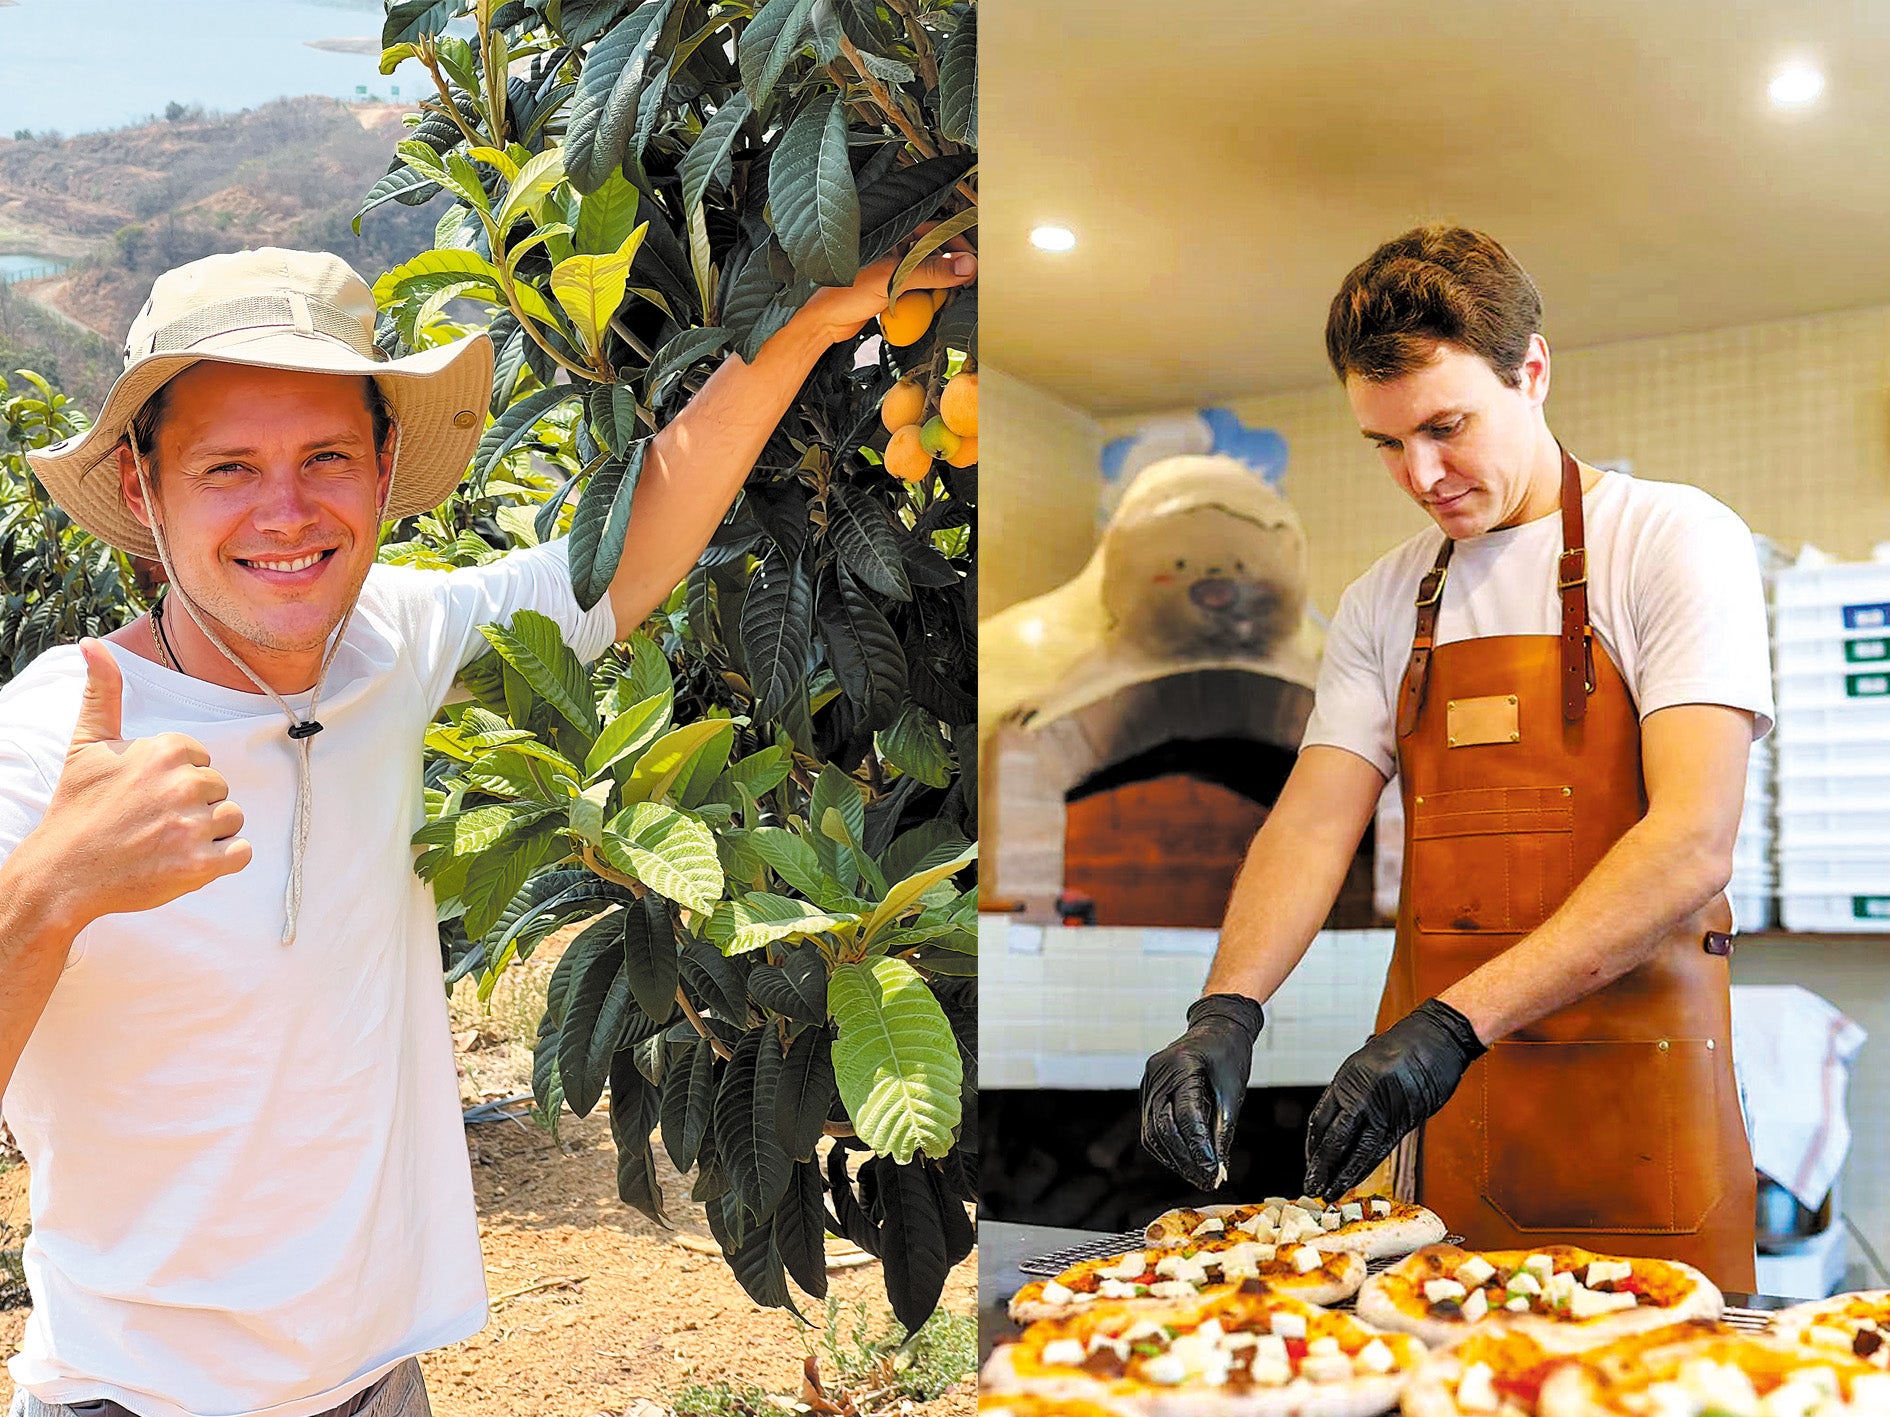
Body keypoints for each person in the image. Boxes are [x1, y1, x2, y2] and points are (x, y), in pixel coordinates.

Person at [0, 241, 973, 1417]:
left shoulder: (391, 642)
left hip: (379, 1382)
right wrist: (49, 891)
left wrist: (811, 323)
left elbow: (626, 560)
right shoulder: (51, 740)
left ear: (384, 468)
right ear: (144, 493)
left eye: (325, 458)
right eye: (226, 468)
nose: (286, 512)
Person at [1139, 225, 1769, 1288]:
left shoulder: (1669, 540)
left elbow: (1691, 841)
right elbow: (1311, 818)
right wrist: (1224, 1011)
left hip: (1638, 1102)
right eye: (1386, 444)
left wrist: (1450, 1024)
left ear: (1533, 370)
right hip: (1447, 1105)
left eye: (1445, 427)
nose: (1420, 475)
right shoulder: (1391, 597)